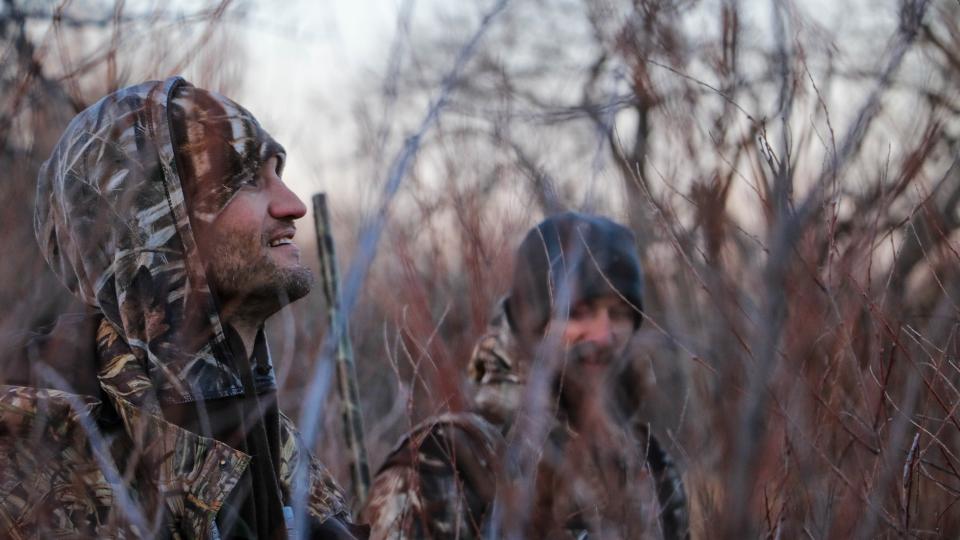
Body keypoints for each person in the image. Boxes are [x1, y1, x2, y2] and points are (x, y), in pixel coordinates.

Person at [0, 77, 367, 538]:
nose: (293, 205)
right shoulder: (35, 467)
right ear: (149, 221)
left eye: (280, 173)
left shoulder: (287, 455)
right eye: (250, 180)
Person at [361, 212, 689, 539]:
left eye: (618, 313)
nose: (603, 336)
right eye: (578, 313)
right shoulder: (446, 460)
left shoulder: (649, 466)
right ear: (530, 324)